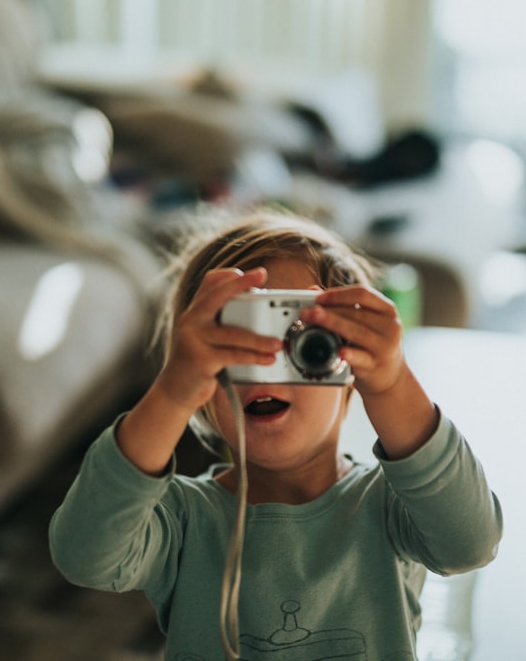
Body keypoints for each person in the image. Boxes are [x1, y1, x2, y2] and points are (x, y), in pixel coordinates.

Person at [49, 209, 503, 661]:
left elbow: (469, 543)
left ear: (347, 369)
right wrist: (170, 392)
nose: (266, 363)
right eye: (237, 340)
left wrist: (392, 384)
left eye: (300, 338)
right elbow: (85, 554)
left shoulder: (388, 507)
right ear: (201, 389)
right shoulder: (183, 520)